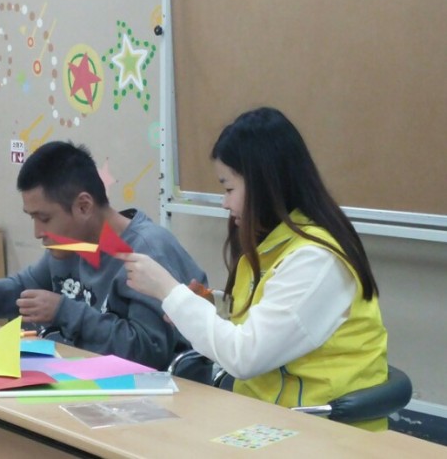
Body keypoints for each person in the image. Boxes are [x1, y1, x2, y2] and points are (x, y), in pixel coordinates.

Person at [118, 107, 388, 431]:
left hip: (322, 433)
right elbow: (262, 318)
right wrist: (213, 306)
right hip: (266, 418)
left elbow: (244, 356)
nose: (225, 203)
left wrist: (169, 290)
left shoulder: (316, 260)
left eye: (229, 188)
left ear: (265, 183)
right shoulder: (271, 247)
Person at [0, 141, 207, 371]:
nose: (37, 232)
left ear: (84, 206)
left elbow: (149, 353)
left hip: (162, 393)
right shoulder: (73, 245)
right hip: (90, 379)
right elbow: (23, 291)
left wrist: (63, 311)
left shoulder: (146, 251)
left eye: (44, 218)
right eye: (33, 218)